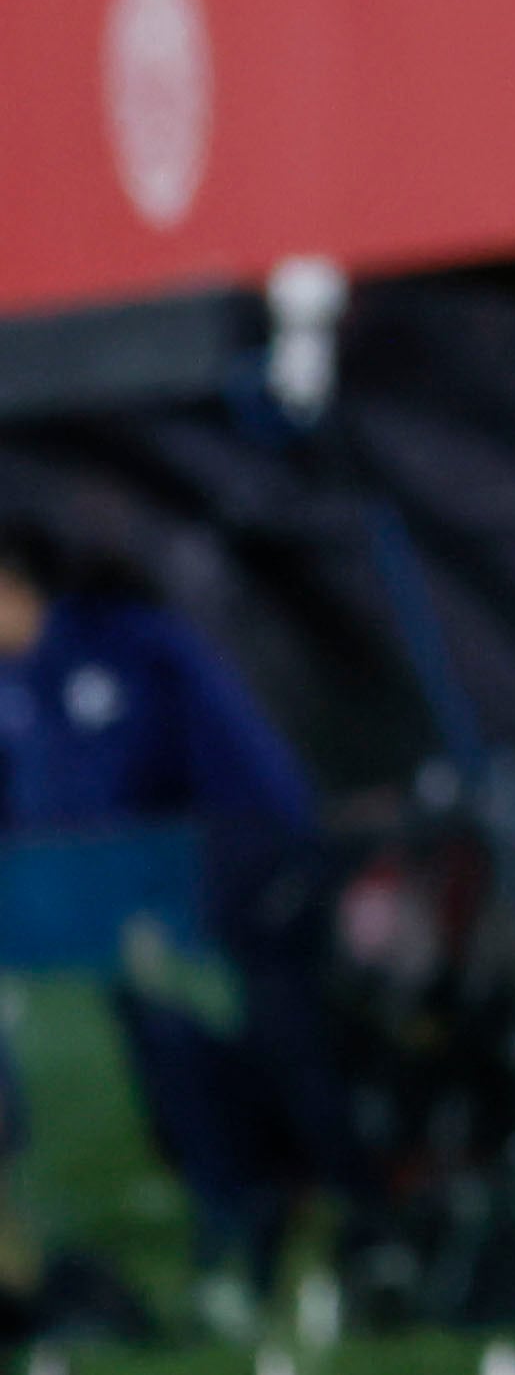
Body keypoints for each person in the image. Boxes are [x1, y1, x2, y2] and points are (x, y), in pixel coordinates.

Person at [0, 528, 336, 1316]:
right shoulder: (24, 679)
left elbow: (112, 791)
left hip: (226, 893)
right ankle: (236, 1231)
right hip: (133, 918)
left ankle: (324, 1232)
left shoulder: (119, 648)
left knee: (256, 1064)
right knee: (170, 1076)